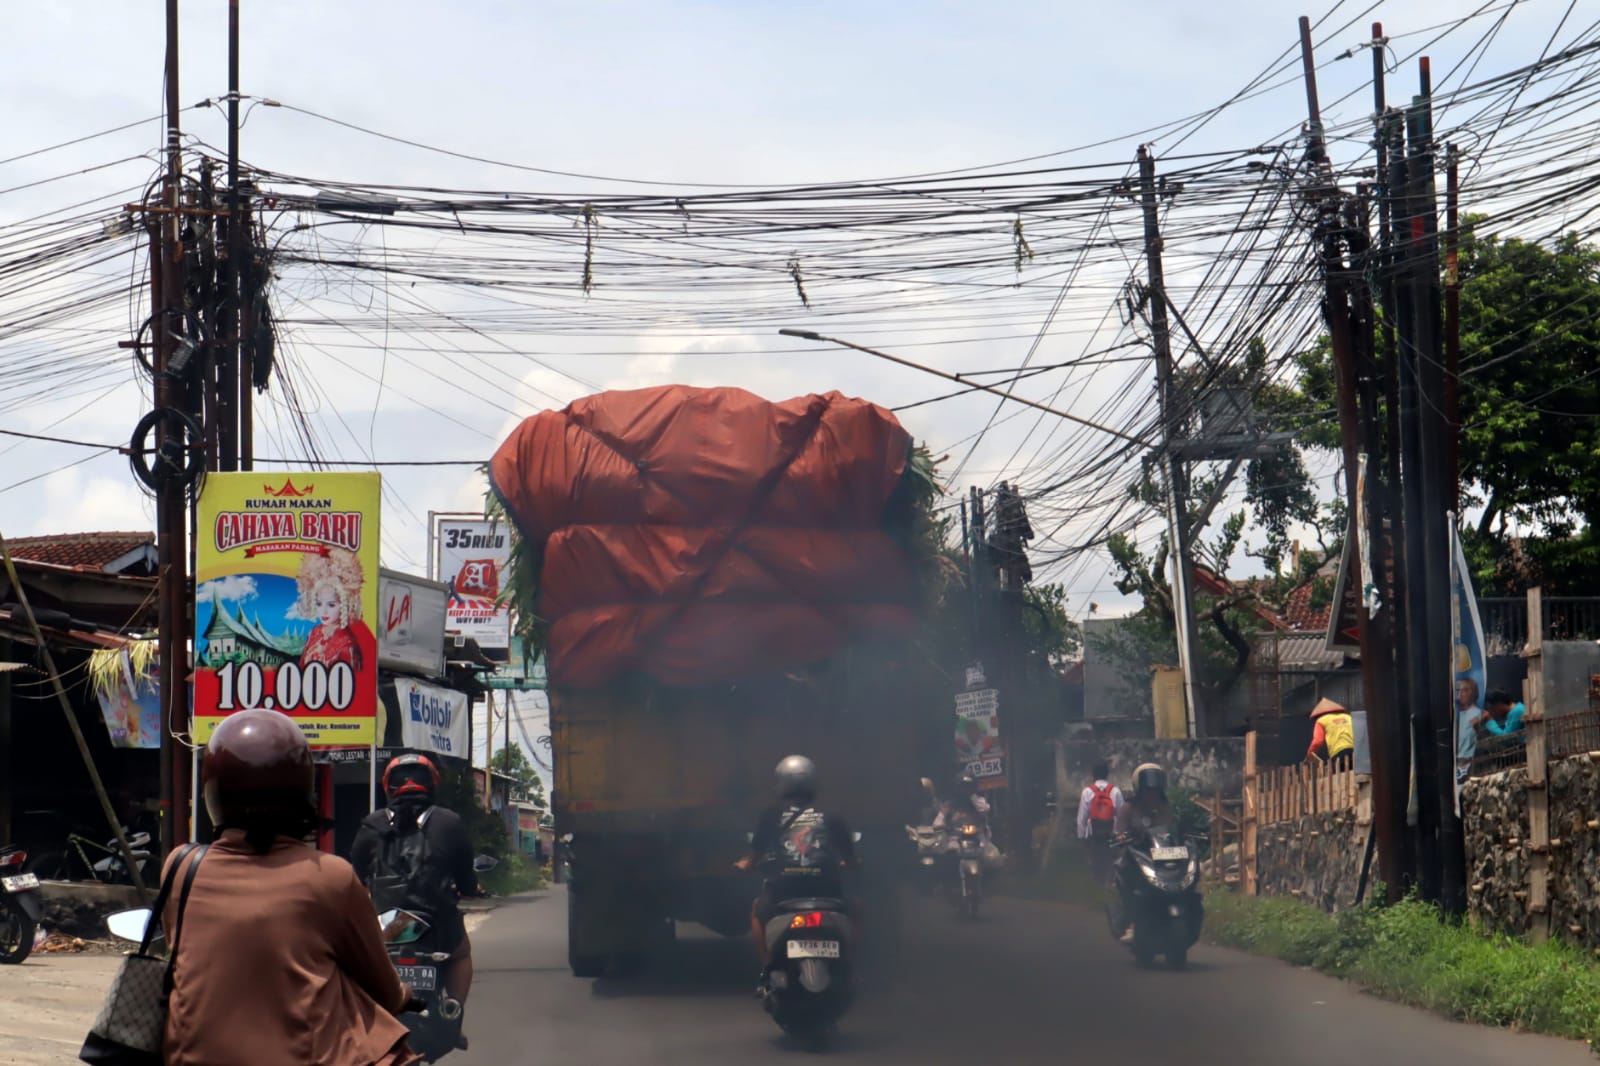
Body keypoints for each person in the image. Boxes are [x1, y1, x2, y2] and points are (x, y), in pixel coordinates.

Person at [162, 708, 417, 1066]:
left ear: (213, 794)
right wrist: (405, 995)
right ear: (302, 793)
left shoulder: (180, 868)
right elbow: (384, 991)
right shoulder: (330, 877)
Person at [351, 753, 486, 1008]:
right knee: (460, 954)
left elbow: (358, 875)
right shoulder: (449, 822)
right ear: (433, 783)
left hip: (388, 923)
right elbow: (466, 878)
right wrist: (471, 889)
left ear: (388, 786)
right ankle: (453, 1011)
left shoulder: (372, 824)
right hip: (437, 921)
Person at [736, 755, 857, 971]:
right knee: (858, 909)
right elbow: (850, 859)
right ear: (813, 784)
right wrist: (852, 865)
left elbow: (754, 856)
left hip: (784, 890)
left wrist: (745, 865)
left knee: (757, 911)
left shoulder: (771, 816)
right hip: (827, 889)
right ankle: (849, 962)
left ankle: (767, 966)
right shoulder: (831, 816)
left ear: (781, 784)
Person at [1111, 763, 1174, 943]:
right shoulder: (1128, 808)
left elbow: (1171, 827)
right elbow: (1119, 830)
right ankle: (1131, 923)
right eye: (1148, 790)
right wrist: (1122, 836)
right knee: (1128, 877)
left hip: (1162, 853)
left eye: (1155, 790)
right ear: (1140, 789)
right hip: (1136, 854)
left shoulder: (1165, 806)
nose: (1152, 794)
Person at [295, 547, 376, 671]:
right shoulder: (315, 633)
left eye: (331, 605)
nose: (324, 611)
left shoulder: (347, 644)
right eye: (319, 604)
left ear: (344, 603)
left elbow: (353, 684)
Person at [1076, 761, 1123, 887]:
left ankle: (1096, 883)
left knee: (1095, 858)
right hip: (1111, 832)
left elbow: (1082, 817)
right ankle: (1109, 883)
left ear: (1093, 775)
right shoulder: (1116, 791)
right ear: (1107, 774)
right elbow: (1121, 814)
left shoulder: (1087, 791)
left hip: (1093, 832)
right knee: (1110, 859)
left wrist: (1081, 836)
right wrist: (1120, 834)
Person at [1305, 697, 1356, 770]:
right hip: (1355, 753)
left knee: (1339, 778)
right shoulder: (1348, 717)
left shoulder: (1321, 720)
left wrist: (1309, 755)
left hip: (1339, 755)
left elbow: (1317, 742)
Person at [1456, 677, 1485, 782]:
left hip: (1469, 766)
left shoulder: (1477, 714)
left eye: (1465, 690)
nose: (1461, 694)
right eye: (1459, 690)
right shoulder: (1456, 715)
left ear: (1472, 693)